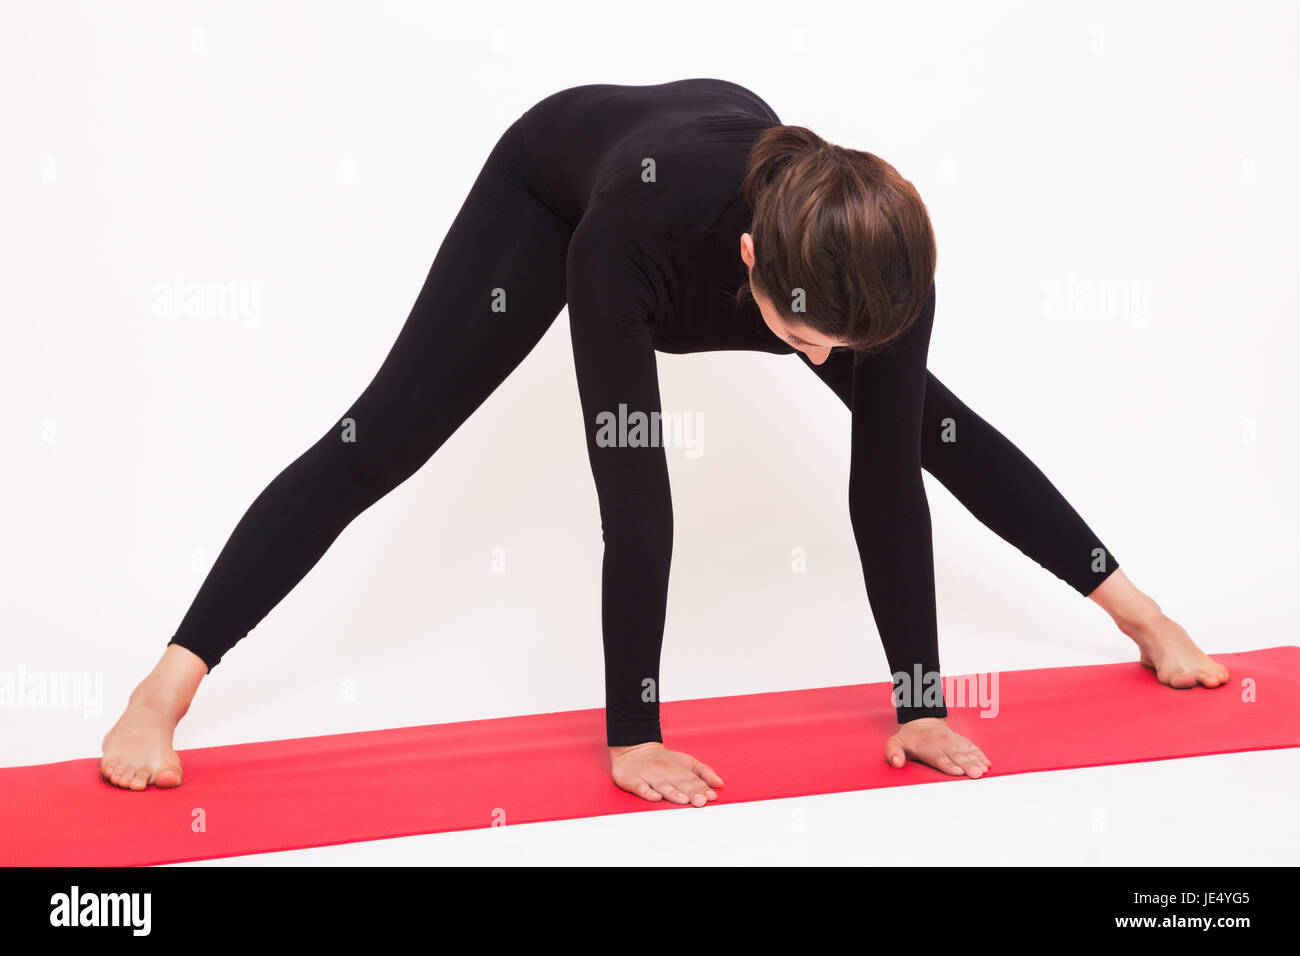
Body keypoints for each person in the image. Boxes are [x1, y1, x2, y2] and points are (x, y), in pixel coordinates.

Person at [101, 78, 1228, 803]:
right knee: (382, 438)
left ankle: (1142, 608)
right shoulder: (626, 245)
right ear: (751, 269)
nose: (829, 363)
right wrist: (631, 732)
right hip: (557, 189)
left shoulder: (875, 263)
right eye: (808, 341)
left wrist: (922, 700)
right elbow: (633, 498)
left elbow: (893, 479)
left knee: (924, 423)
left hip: (732, 188)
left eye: (850, 341)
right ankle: (166, 683)